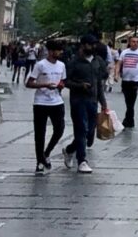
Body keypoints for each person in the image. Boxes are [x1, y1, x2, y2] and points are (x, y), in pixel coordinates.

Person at [63, 38, 106, 172]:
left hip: (93, 101)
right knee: (81, 129)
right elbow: (66, 82)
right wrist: (80, 86)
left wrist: (103, 103)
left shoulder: (97, 61)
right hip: (78, 101)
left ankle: (69, 150)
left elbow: (99, 83)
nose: (92, 46)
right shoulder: (74, 62)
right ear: (83, 45)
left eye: (94, 44)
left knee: (89, 132)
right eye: (89, 44)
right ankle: (82, 160)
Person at [27, 38, 67, 172]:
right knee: (40, 133)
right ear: (50, 52)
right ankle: (39, 160)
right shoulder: (40, 65)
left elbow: (63, 81)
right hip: (41, 102)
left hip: (57, 102)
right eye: (57, 50)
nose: (60, 52)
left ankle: (47, 152)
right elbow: (29, 83)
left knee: (60, 129)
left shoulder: (61, 65)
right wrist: (44, 85)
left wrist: (61, 85)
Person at [116, 33, 138, 130]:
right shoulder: (124, 52)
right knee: (127, 100)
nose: (135, 43)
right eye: (133, 42)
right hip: (125, 79)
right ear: (130, 42)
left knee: (131, 100)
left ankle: (128, 120)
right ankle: (129, 120)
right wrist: (116, 74)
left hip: (135, 80)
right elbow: (119, 64)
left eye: (137, 42)